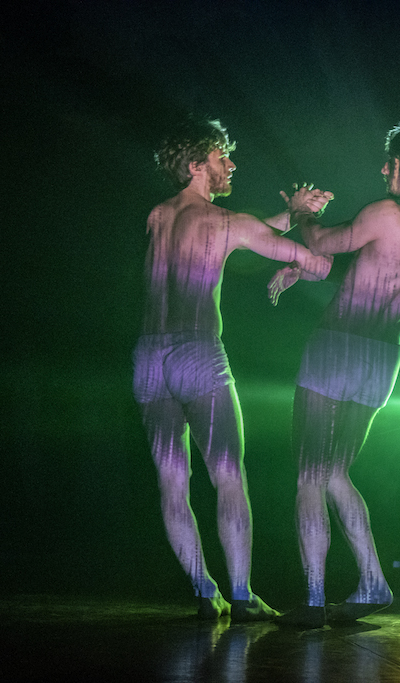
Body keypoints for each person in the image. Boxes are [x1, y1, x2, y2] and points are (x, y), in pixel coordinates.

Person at [132, 116, 332, 620]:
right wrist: (300, 261)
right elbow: (312, 260)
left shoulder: (157, 215)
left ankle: (206, 591)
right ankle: (241, 596)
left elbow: (240, 232)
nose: (232, 163)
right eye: (222, 156)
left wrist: (288, 214)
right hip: (197, 354)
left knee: (172, 482)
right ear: (196, 165)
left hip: (149, 360)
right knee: (227, 476)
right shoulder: (225, 222)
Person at [269, 120, 400, 627]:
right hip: (382, 358)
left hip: (338, 344)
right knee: (336, 473)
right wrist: (305, 267)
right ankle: (374, 583)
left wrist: (302, 213)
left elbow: (323, 240)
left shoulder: (387, 213)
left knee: (310, 475)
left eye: (391, 163)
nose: (383, 170)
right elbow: (373, 274)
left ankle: (314, 600)